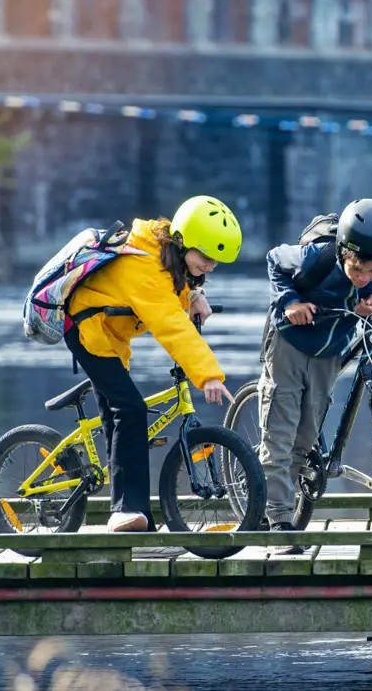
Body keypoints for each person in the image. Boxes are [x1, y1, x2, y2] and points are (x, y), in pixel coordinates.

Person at [65, 195, 241, 533]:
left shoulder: (165, 257)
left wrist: (193, 293)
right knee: (129, 409)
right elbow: (170, 324)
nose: (210, 267)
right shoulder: (143, 266)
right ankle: (125, 511)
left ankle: (133, 513)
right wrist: (208, 376)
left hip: (110, 335)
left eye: (215, 262)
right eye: (205, 258)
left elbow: (172, 287)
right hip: (87, 332)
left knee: (120, 417)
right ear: (181, 242)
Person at [260, 198, 372, 553]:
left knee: (306, 434)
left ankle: (285, 497)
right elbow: (273, 260)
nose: (363, 277)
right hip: (290, 342)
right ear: (343, 251)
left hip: (329, 352)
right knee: (280, 433)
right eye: (356, 269)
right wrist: (290, 303)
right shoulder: (316, 258)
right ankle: (279, 520)